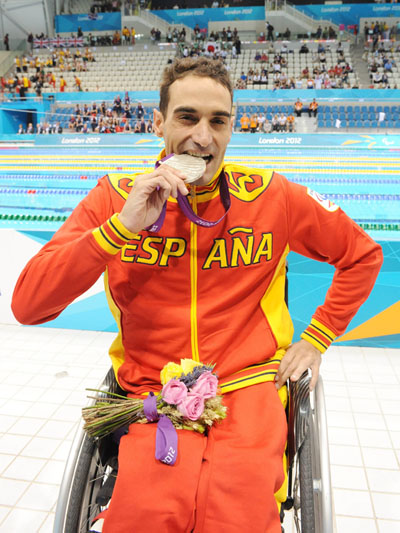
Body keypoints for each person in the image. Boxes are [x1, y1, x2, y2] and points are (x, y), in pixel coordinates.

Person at [11, 57, 383, 533]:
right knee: (144, 514)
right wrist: (120, 230)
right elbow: (28, 304)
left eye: (218, 121)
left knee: (243, 513)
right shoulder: (113, 198)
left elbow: (362, 254)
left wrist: (319, 334)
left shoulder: (272, 196)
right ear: (159, 122)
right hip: (151, 390)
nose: (203, 137)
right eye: (187, 117)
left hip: (249, 387)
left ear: (232, 129)